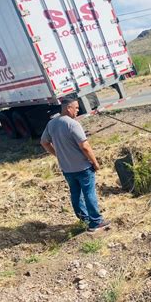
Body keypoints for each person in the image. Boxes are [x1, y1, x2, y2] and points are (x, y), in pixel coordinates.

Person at [40, 97, 110, 232]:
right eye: (76, 108)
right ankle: (96, 222)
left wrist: (58, 154)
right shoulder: (72, 124)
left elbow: (44, 142)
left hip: (67, 168)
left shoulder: (52, 124)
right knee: (89, 193)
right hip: (83, 167)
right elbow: (84, 146)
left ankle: (84, 219)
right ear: (68, 108)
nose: (78, 110)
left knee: (75, 194)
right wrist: (95, 162)